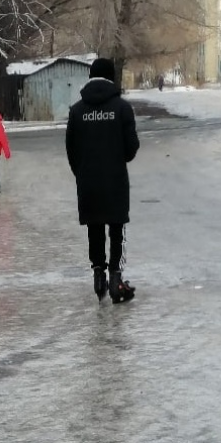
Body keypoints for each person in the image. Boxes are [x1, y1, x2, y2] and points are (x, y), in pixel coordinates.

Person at [65, 57, 140, 304]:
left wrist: (83, 172)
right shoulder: (122, 108)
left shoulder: (76, 111)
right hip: (115, 180)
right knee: (116, 229)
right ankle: (116, 280)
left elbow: (71, 150)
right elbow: (131, 148)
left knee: (94, 228)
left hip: (88, 181)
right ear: (111, 77)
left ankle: (98, 277)